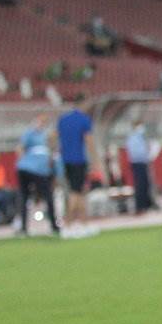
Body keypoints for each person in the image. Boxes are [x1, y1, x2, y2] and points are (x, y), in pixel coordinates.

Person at [16, 114, 60, 236]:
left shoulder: (45, 137)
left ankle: (25, 227)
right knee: (45, 197)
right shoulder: (31, 133)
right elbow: (20, 148)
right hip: (36, 170)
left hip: (34, 169)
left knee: (26, 198)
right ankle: (52, 225)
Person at [57, 95, 96, 229]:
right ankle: (68, 223)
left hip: (65, 160)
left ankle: (84, 223)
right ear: (83, 103)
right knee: (75, 192)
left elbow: (54, 137)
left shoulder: (63, 119)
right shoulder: (84, 120)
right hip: (78, 160)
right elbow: (89, 141)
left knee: (78, 191)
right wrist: (96, 160)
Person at [125, 119, 153, 214]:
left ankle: (146, 205)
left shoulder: (142, 137)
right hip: (137, 163)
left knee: (146, 184)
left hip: (144, 162)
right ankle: (139, 207)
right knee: (140, 185)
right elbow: (134, 152)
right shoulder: (133, 138)